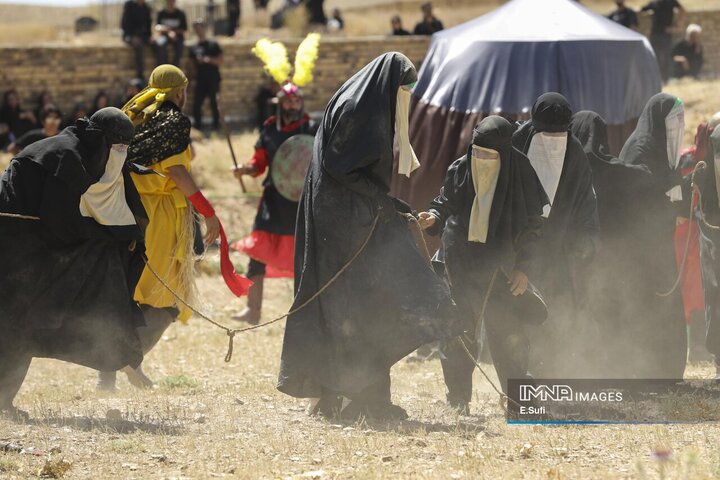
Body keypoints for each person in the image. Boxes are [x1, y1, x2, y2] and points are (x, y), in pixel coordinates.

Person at [276, 52, 460, 421]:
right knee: (360, 306)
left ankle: (346, 397)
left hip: (345, 216)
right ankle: (357, 401)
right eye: (404, 87)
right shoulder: (362, 107)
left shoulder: (360, 97)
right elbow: (341, 166)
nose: (406, 93)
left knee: (353, 306)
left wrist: (387, 203)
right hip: (345, 224)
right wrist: (383, 202)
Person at [98, 64, 250, 391]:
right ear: (180, 92)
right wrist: (209, 213)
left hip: (125, 210)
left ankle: (109, 373)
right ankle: (126, 359)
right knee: (166, 298)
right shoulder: (173, 121)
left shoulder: (134, 115)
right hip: (160, 216)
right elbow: (178, 173)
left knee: (128, 290)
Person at [0, 107, 146, 418]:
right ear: (103, 140)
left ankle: (3, 402)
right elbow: (60, 224)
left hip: (23, 238)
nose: (120, 154)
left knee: (22, 321)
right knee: (16, 321)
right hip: (13, 239)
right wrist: (104, 236)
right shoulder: (66, 158)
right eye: (118, 146)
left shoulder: (75, 149)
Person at [420, 116, 548, 412]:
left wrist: (523, 268)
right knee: (458, 333)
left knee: (509, 334)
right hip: (459, 262)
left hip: (502, 268)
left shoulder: (521, 173)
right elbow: (444, 203)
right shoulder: (461, 168)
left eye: (488, 156)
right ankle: (458, 400)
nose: (480, 160)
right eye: (476, 152)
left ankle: (518, 400)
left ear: (503, 154)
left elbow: (533, 227)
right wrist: (433, 218)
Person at [512, 93, 599, 378]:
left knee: (556, 308)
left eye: (557, 136)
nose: (552, 143)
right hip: (520, 246)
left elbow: (586, 199)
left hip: (559, 246)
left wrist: (587, 239)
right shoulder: (517, 142)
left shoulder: (574, 153)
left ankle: (550, 369)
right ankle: (518, 370)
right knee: (518, 311)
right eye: (545, 136)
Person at [614, 92, 688, 381]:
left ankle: (667, 371)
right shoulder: (640, 148)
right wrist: (669, 208)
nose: (678, 126)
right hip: (638, 248)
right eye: (674, 119)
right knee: (644, 304)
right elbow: (633, 199)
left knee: (665, 303)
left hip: (659, 244)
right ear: (659, 119)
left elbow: (671, 187)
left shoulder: (662, 150)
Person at [232, 85, 317, 324]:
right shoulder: (269, 129)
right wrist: (245, 170)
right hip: (273, 201)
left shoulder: (313, 128)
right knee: (257, 252)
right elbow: (259, 163)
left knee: (306, 255)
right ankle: (253, 310)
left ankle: (305, 312)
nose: (293, 105)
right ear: (279, 103)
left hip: (303, 202)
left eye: (296, 101)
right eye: (288, 101)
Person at [190, 18, 223, 132]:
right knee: (197, 104)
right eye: (196, 29)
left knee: (214, 103)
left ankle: (216, 126)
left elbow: (220, 60)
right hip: (200, 79)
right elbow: (191, 64)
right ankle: (198, 126)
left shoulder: (213, 44)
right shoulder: (194, 47)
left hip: (213, 78)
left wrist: (207, 60)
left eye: (200, 28)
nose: (199, 31)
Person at [641, 0, 686, 82]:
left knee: (667, 56)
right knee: (654, 57)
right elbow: (641, 11)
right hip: (655, 34)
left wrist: (675, 26)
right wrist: (649, 14)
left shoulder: (670, 1)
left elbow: (682, 10)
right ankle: (656, 78)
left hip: (666, 35)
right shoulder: (654, 3)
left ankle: (666, 78)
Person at [121, 0, 153, 79]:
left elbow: (148, 23)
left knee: (158, 45)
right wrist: (132, 36)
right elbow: (124, 23)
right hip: (129, 35)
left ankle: (160, 73)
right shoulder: (129, 5)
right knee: (139, 46)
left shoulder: (147, 7)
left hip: (143, 36)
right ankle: (140, 76)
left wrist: (150, 37)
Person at [155, 0, 187, 67]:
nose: (170, 2)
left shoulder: (180, 13)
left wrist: (174, 32)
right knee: (160, 44)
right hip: (164, 36)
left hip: (177, 37)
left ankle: (174, 66)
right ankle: (164, 65)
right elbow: (157, 27)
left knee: (180, 46)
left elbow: (184, 29)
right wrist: (169, 31)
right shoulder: (161, 13)